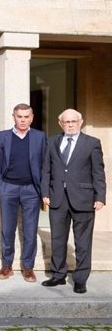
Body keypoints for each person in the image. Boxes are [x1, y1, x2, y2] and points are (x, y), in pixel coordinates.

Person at [41, 109, 106, 294]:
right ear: (60, 123)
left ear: (81, 122)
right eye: (66, 122)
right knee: (58, 239)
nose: (70, 125)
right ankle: (58, 275)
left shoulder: (92, 143)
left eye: (73, 121)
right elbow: (46, 169)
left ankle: (80, 279)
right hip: (57, 199)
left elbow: (98, 172)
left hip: (84, 199)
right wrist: (45, 192)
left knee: (83, 242)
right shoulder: (52, 141)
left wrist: (100, 197)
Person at [0, 103, 46, 283]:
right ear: (13, 117)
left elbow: (46, 165)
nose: (22, 120)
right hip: (8, 188)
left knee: (30, 230)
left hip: (31, 190)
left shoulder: (40, 137)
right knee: (7, 229)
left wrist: (42, 190)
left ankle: (28, 268)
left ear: (32, 117)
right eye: (19, 116)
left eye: (26, 117)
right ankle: (7, 265)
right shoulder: (1, 137)